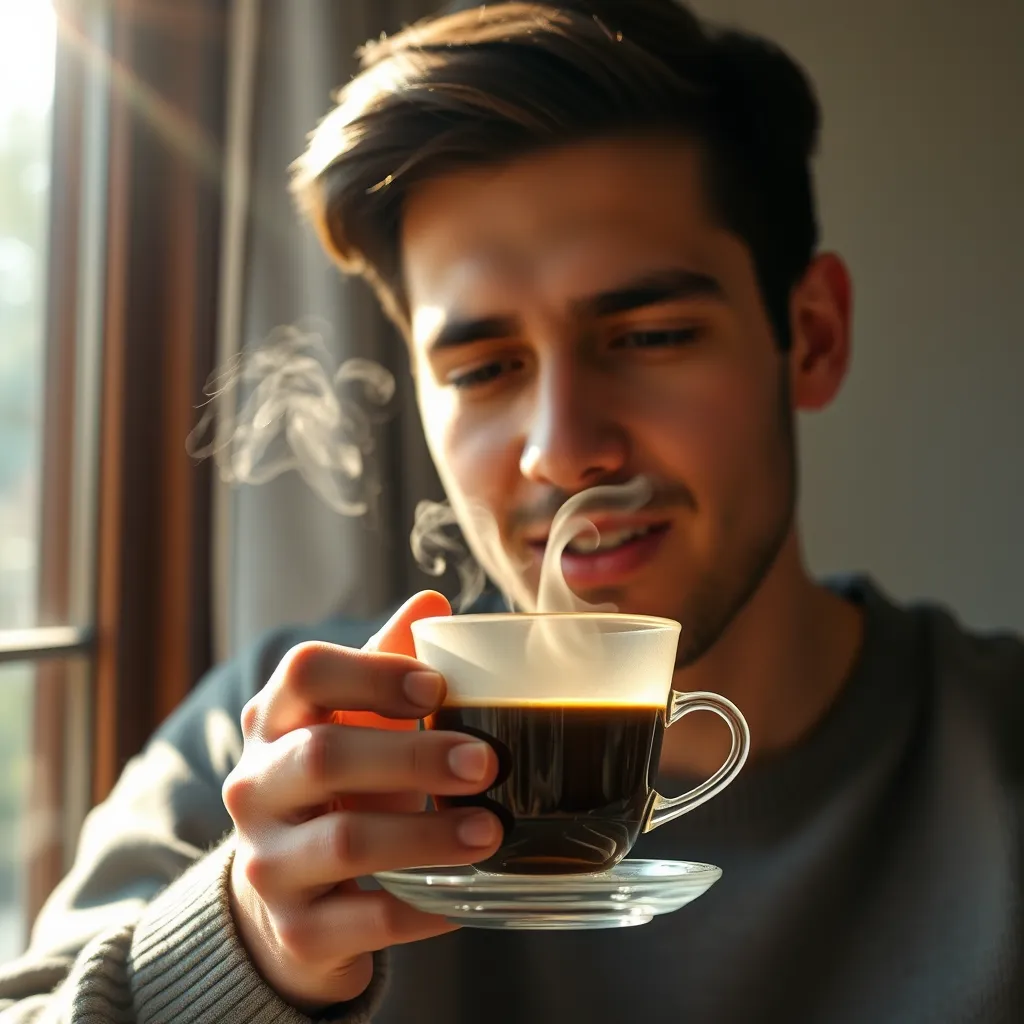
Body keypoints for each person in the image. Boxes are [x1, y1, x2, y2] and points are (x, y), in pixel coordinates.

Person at [2, 1, 1022, 1021]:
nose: (562, 449)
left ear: (812, 336)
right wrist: (246, 945)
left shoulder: (997, 756)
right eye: (485, 367)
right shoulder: (263, 752)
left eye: (651, 335)